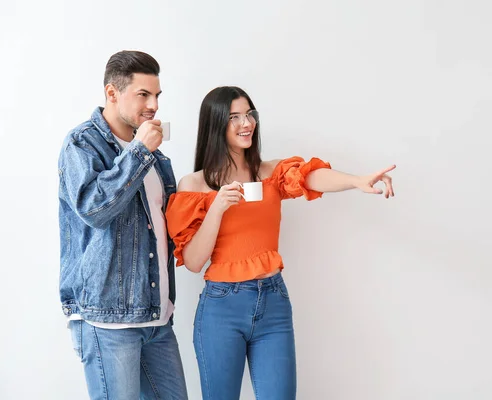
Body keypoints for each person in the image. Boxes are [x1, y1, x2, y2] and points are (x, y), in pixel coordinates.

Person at [165, 86, 394, 400]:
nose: (246, 123)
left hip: (273, 302)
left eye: (249, 114)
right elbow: (192, 262)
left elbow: (311, 177)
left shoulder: (270, 172)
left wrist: (356, 181)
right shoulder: (195, 184)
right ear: (215, 125)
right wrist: (217, 207)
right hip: (221, 307)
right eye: (234, 117)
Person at [58, 50, 188, 399]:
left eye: (157, 95)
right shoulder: (82, 143)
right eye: (143, 94)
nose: (154, 105)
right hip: (107, 321)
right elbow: (94, 210)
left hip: (157, 319)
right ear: (112, 93)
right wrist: (140, 152)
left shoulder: (155, 156)